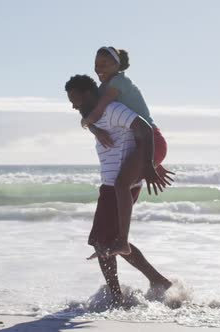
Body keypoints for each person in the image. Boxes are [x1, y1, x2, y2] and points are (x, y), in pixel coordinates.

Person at [65, 74, 172, 308]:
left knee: (101, 241)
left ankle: (116, 297)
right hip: (111, 183)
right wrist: (93, 128)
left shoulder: (112, 110)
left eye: (75, 99)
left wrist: (150, 164)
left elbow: (143, 129)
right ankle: (157, 281)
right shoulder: (94, 117)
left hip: (119, 185)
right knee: (106, 241)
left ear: (88, 94)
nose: (73, 105)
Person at [82, 46, 171, 257]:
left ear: (117, 65)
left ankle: (121, 241)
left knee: (121, 183)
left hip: (152, 141)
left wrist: (86, 122)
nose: (99, 69)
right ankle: (110, 240)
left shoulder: (118, 83)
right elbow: (93, 113)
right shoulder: (104, 86)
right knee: (119, 184)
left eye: (104, 64)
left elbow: (99, 109)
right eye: (96, 65)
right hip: (141, 145)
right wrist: (92, 126)